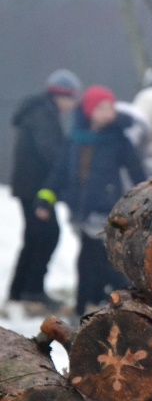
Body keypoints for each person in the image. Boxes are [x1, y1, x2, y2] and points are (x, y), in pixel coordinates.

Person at [35, 85, 146, 316]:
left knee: (99, 259)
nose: (108, 113)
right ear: (89, 111)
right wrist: (45, 199)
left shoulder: (118, 138)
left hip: (106, 210)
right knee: (92, 260)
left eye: (110, 108)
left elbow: (136, 171)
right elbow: (60, 172)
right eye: (101, 108)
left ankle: (100, 305)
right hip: (81, 210)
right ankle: (92, 305)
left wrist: (146, 197)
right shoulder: (75, 139)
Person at [6, 69, 81, 308]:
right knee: (47, 236)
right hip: (36, 189)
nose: (73, 104)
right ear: (61, 95)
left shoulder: (40, 111)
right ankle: (32, 290)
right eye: (72, 98)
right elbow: (51, 153)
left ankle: (18, 291)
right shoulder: (43, 115)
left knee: (33, 238)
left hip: (30, 187)